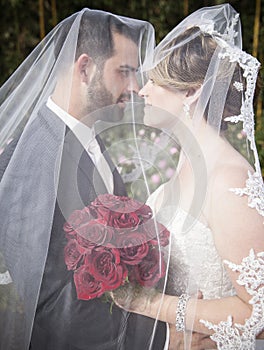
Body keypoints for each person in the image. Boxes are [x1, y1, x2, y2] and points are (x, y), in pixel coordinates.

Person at [0, 8, 169, 350]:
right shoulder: (35, 158)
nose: (135, 88)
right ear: (85, 67)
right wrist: (162, 340)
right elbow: (51, 303)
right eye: (125, 73)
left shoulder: (88, 136)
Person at [111, 4, 264, 349]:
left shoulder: (229, 180)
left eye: (154, 80)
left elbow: (259, 313)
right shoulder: (185, 165)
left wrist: (148, 303)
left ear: (191, 91)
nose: (142, 90)